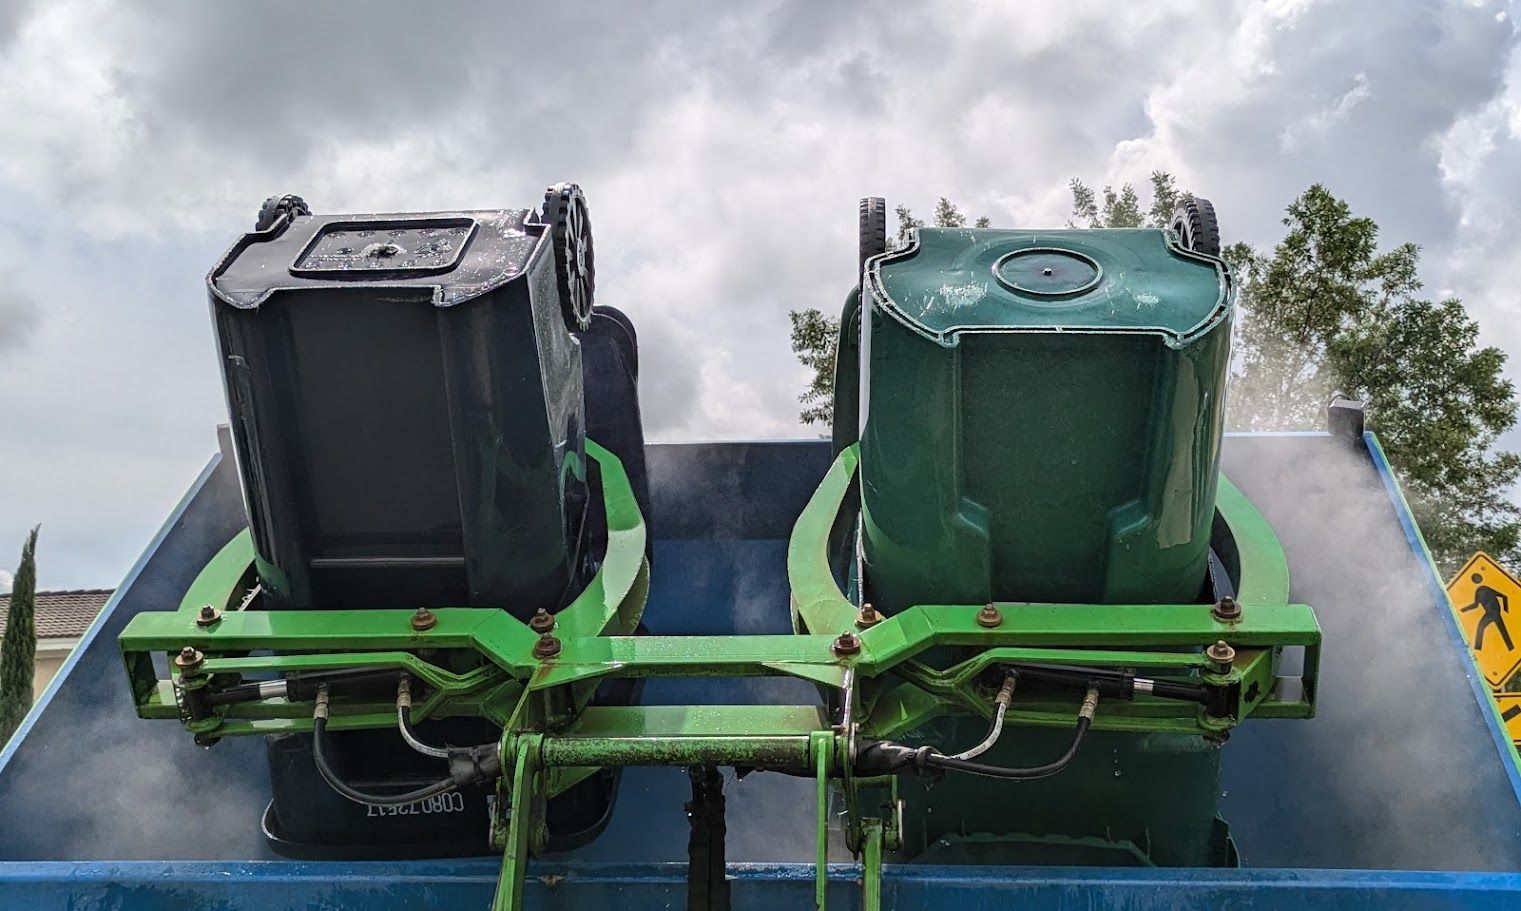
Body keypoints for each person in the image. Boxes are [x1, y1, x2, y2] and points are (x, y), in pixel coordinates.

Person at [1460, 572, 1514, 651]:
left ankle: (1478, 647)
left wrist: (1506, 610)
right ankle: (1510, 647)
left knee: (1483, 627)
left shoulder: (1485, 589)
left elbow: (1504, 596)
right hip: (1491, 613)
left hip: (1493, 613)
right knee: (1499, 629)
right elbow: (1476, 605)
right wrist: (1463, 610)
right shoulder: (1480, 591)